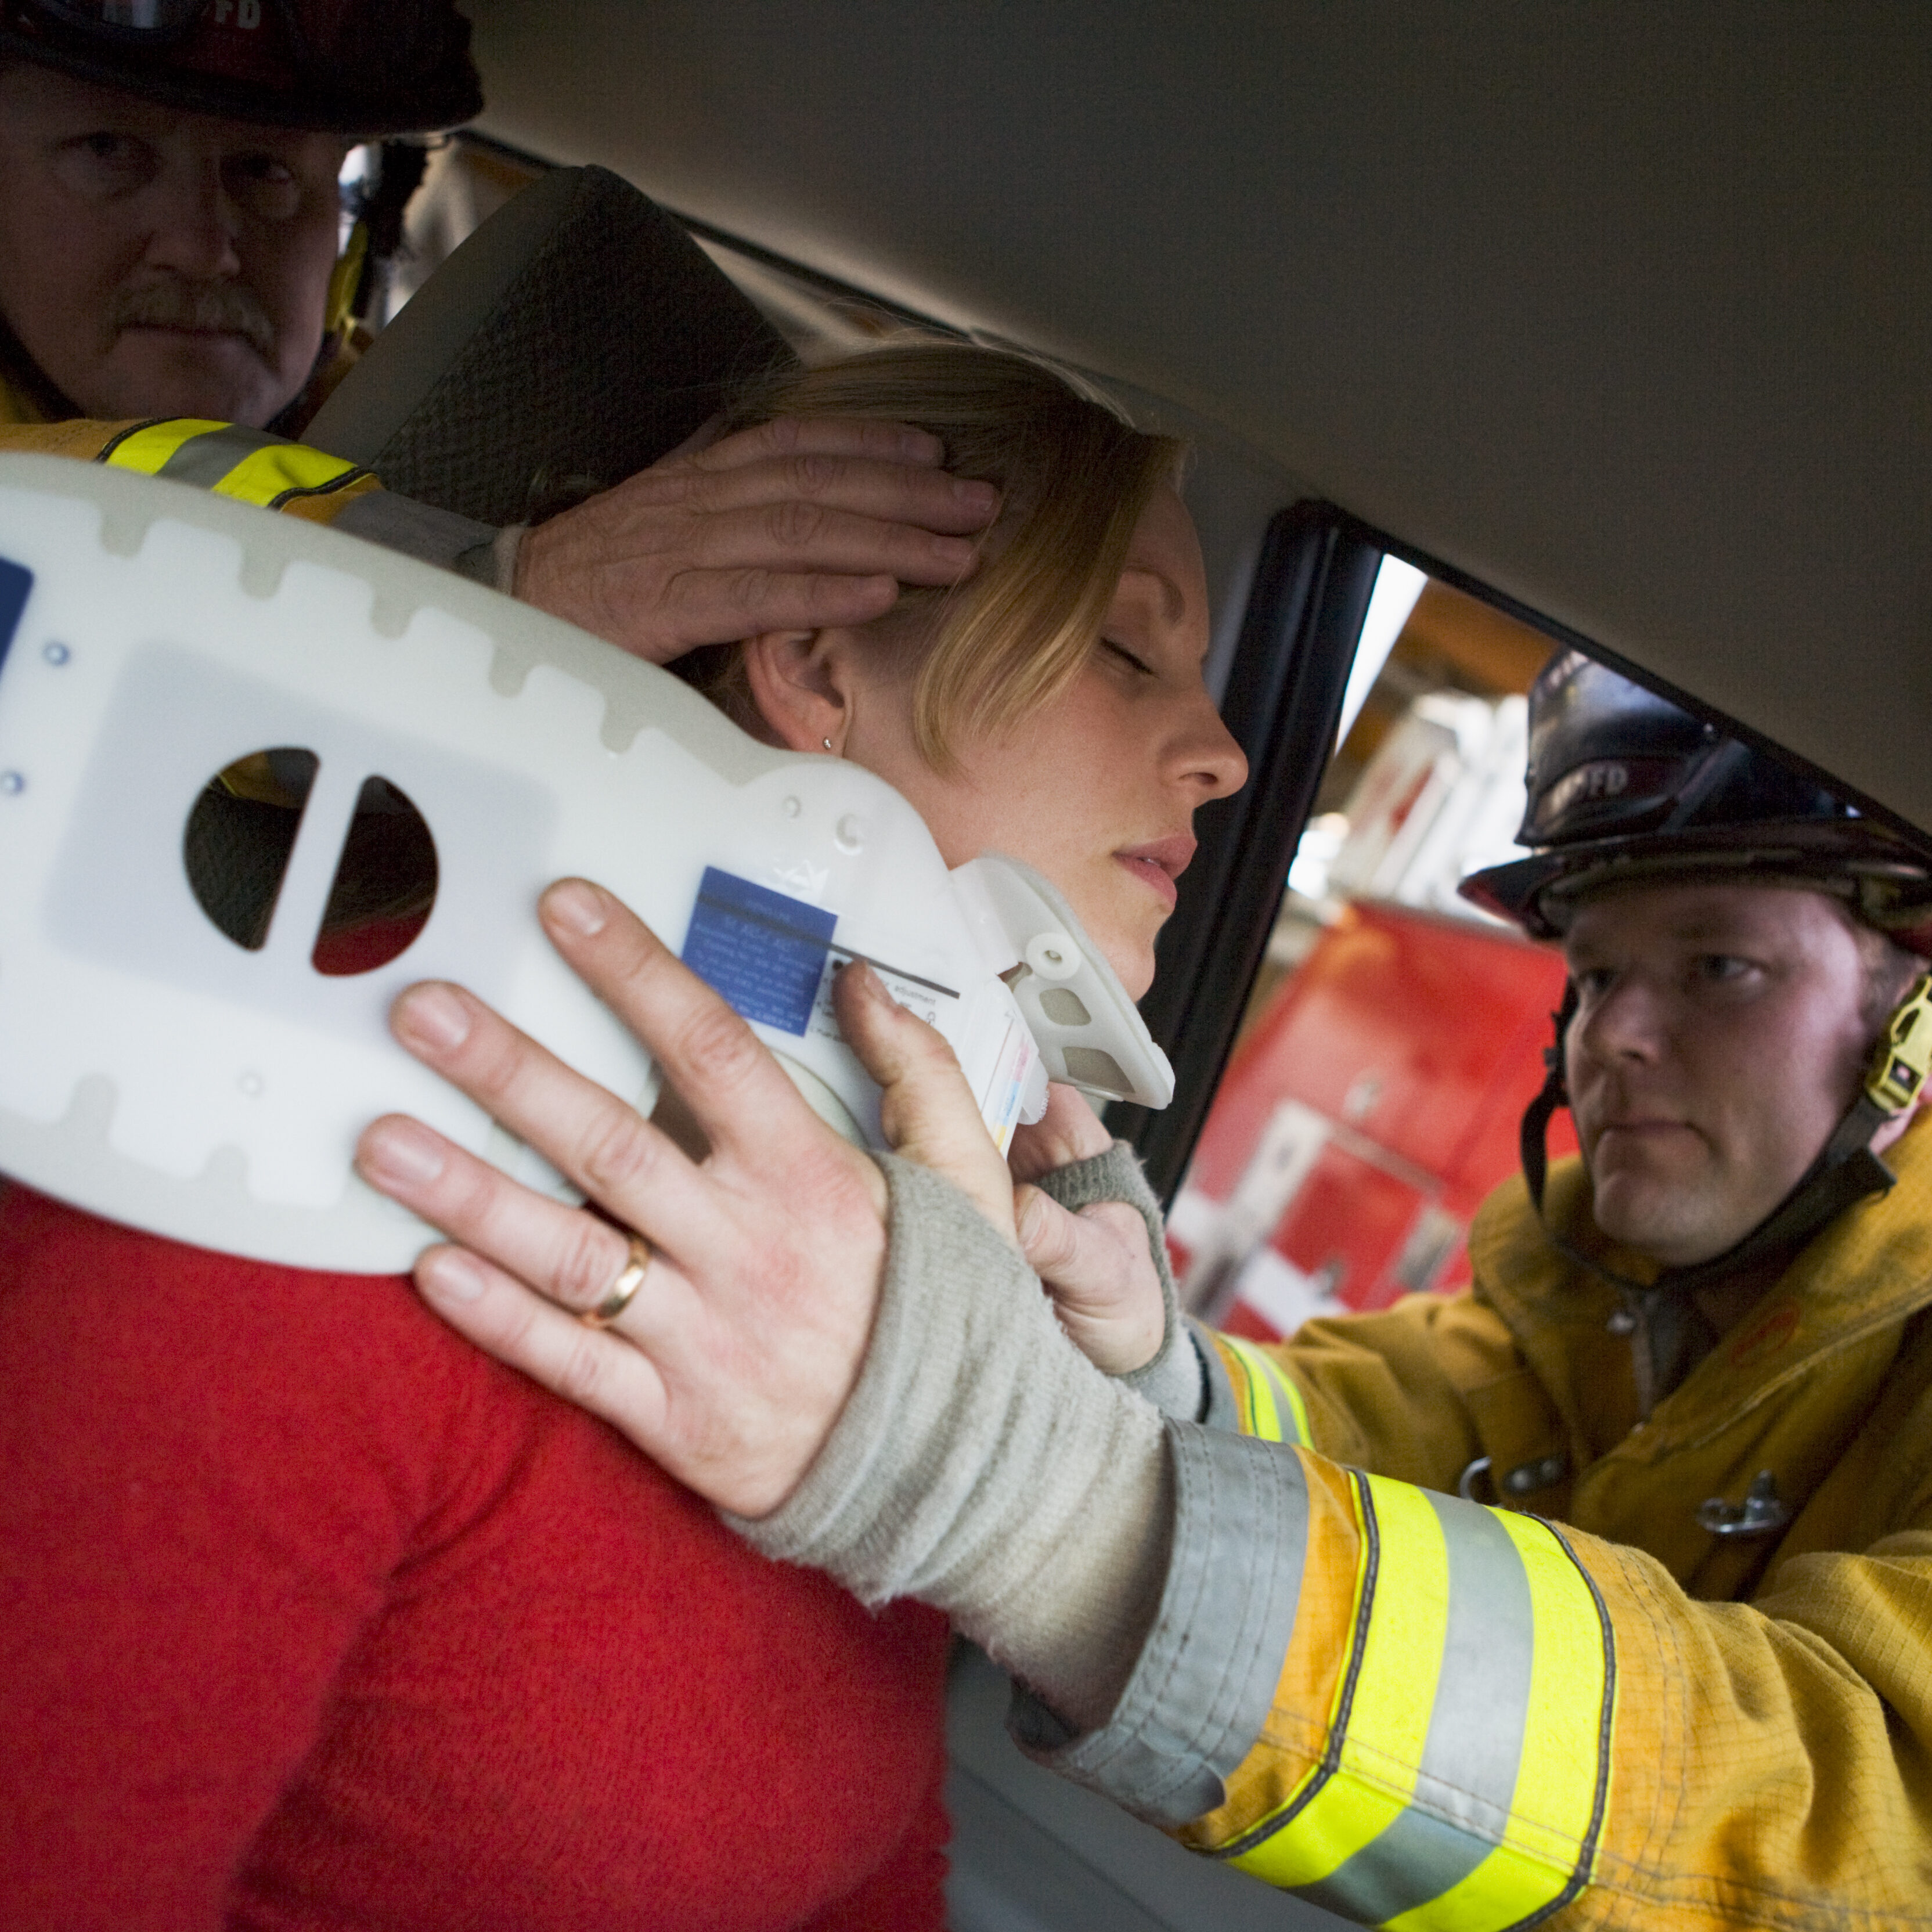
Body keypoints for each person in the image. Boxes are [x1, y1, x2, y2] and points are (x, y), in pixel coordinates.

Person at [369, 647, 1932, 1928]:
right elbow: (1377, 1433)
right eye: (1593, 975)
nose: (1613, 1038)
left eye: (1718, 966)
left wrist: (1044, 1501)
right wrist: (1145, 1367)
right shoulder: (1594, 1302)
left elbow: (1868, 1814)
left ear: (1910, 1021)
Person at [0, 339, 1246, 1928]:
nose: (1227, 755)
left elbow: (876, 1876)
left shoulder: (891, 1342)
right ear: (811, 661)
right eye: (1130, 657)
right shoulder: (300, 1192)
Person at [0, 2, 998, 664]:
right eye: (108, 151)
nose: (204, 247)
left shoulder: (493, 446)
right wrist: (503, 594)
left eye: (263, 172)